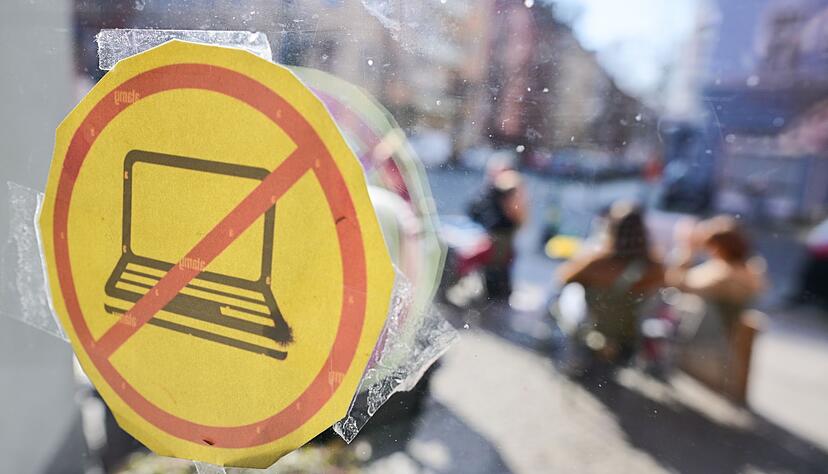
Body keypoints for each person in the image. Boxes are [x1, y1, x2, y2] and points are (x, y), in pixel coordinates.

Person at [557, 202, 664, 362]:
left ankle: (567, 346)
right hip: (627, 337)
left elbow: (563, 278)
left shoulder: (597, 263)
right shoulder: (654, 268)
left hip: (591, 331)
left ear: (612, 229)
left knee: (571, 291)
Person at [666, 216, 766, 336]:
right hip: (727, 335)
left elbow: (678, 282)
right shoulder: (750, 271)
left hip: (710, 336)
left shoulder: (722, 273)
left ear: (718, 247)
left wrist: (687, 249)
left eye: (708, 245)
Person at [467, 166, 527, 298]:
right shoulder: (497, 191)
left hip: (500, 240)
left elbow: (517, 214)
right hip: (498, 239)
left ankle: (497, 295)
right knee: (496, 271)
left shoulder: (506, 187)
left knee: (497, 271)